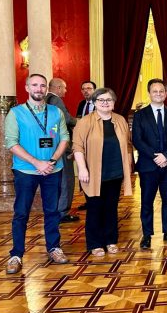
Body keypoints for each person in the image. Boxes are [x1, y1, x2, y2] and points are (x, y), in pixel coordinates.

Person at [4, 73, 70, 274]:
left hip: (53, 169)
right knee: (21, 213)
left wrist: (50, 161)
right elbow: (11, 143)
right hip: (26, 171)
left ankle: (54, 247)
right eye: (35, 85)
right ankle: (16, 254)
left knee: (52, 211)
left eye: (42, 85)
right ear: (27, 88)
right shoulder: (15, 113)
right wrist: (37, 163)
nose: (39, 89)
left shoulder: (56, 112)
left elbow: (64, 138)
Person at [72, 88, 133, 257]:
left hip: (115, 173)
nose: (105, 103)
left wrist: (128, 164)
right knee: (94, 208)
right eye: (101, 100)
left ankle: (111, 240)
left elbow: (128, 145)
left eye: (108, 100)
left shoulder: (120, 120)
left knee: (111, 207)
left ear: (113, 103)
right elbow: (77, 146)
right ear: (94, 102)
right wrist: (82, 168)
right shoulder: (85, 122)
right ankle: (95, 243)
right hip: (92, 174)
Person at [132, 79, 167, 249]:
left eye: (162, 91)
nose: (159, 94)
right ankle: (147, 235)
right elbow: (137, 140)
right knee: (147, 201)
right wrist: (156, 157)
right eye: (155, 91)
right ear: (149, 93)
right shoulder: (140, 115)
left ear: (166, 93)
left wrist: (166, 156)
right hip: (148, 166)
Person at [45, 77, 79, 223]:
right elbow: (65, 119)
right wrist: (79, 121)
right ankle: (62, 212)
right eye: (64, 88)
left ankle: (56, 210)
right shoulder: (56, 100)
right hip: (62, 145)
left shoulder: (45, 99)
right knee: (67, 179)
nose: (65, 91)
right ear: (58, 88)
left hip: (51, 145)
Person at [75, 80, 96, 211]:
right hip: (82, 143)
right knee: (83, 172)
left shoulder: (100, 104)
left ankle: (94, 199)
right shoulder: (82, 104)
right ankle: (88, 199)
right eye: (83, 89)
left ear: (95, 90)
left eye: (89, 88)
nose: (86, 91)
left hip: (96, 143)